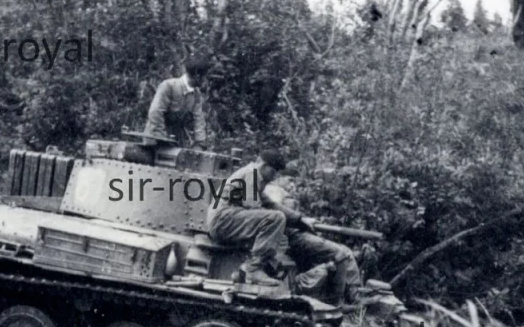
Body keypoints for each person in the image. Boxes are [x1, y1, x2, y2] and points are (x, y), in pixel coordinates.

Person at [262, 182, 362, 305]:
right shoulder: (271, 190)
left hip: (297, 233)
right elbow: (278, 213)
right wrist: (302, 221)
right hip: (290, 237)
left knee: (346, 251)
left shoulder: (278, 189)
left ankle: (353, 296)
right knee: (340, 254)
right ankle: (336, 303)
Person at [206, 149, 290, 287]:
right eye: (273, 172)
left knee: (276, 219)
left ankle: (258, 267)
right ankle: (253, 269)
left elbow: (271, 204)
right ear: (264, 165)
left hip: (226, 220)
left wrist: (300, 219)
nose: (274, 177)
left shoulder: (252, 175)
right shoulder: (252, 173)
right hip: (223, 219)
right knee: (276, 218)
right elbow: (253, 205)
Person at [143, 57, 210, 146]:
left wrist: (200, 143)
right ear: (198, 76)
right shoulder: (169, 86)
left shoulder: (196, 94)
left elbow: (198, 120)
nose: (206, 81)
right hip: (155, 138)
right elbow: (155, 112)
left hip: (176, 140)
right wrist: (162, 138)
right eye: (205, 77)